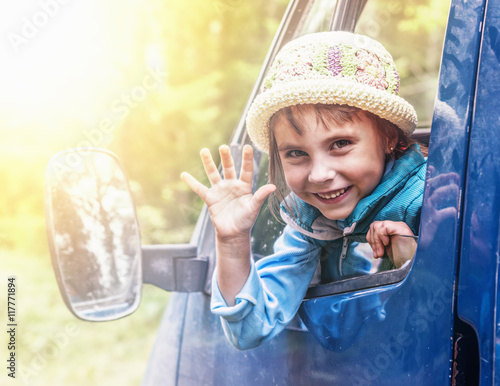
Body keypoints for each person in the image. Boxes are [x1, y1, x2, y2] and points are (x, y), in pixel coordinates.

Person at [181, 31, 426, 350]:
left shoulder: (430, 201)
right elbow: (250, 330)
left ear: (389, 137)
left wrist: (415, 259)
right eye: (296, 153)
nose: (320, 175)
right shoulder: (309, 223)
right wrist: (232, 241)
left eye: (340, 144)